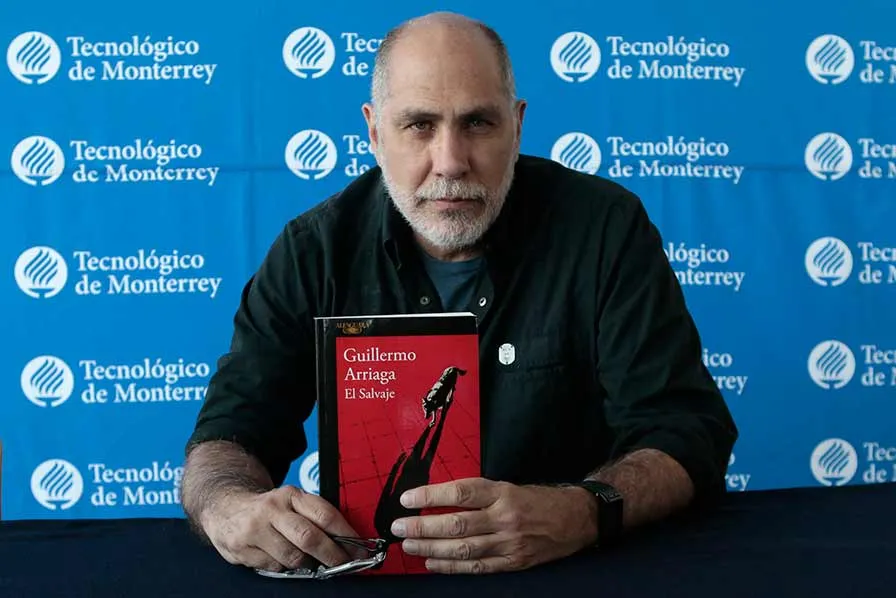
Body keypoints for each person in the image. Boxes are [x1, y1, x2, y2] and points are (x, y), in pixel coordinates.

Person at [181, 11, 738, 576]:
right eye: (419, 125)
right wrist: (227, 508)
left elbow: (687, 431)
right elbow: (230, 433)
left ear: (517, 127)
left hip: (570, 572)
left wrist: (581, 511)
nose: (450, 161)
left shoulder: (604, 229)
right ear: (374, 132)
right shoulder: (313, 251)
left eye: (478, 124)